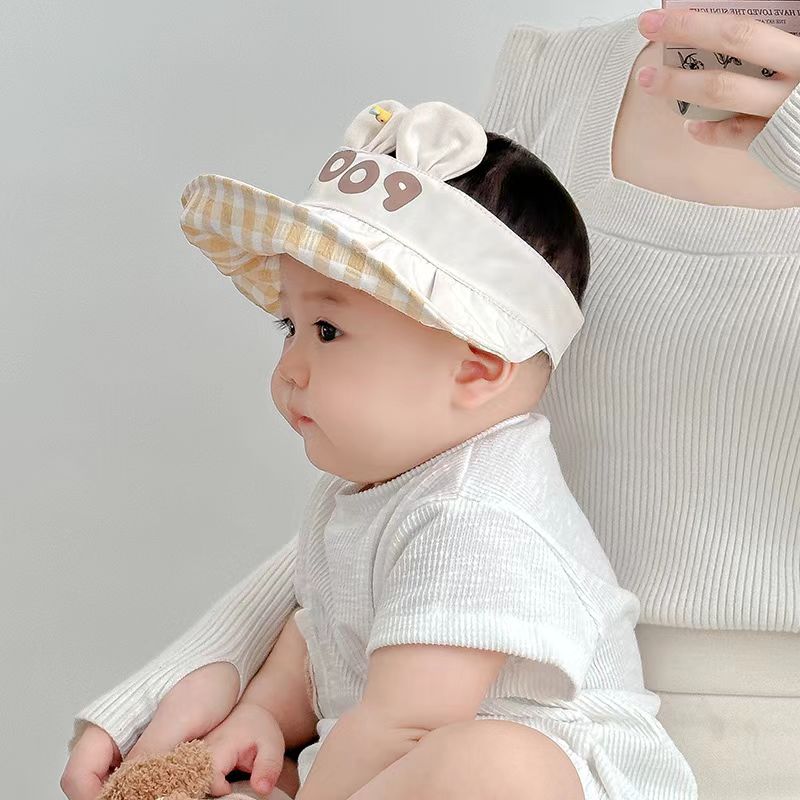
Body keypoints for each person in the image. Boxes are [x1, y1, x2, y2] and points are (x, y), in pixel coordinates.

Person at [61, 6, 800, 800]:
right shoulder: (380, 492)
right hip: (390, 747)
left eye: (326, 332)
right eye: (291, 326)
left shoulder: (476, 514)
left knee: (492, 765)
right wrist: (253, 702)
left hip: (565, 765)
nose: (290, 369)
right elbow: (326, 621)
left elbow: (405, 721)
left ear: (479, 369)